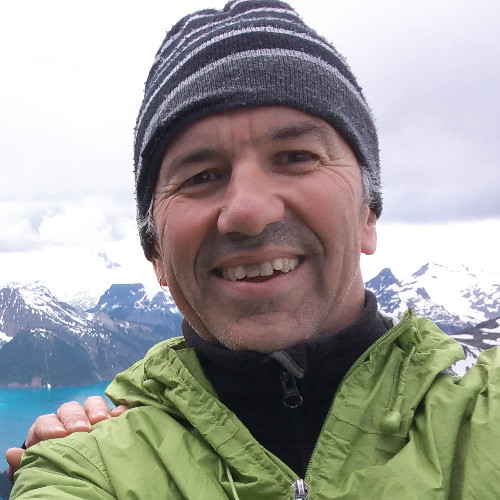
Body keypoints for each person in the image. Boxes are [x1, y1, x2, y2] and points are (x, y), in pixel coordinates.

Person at [8, 1, 500, 498]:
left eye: (296, 157)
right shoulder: (84, 469)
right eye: (200, 176)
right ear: (155, 252)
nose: (248, 210)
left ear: (368, 212)